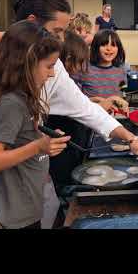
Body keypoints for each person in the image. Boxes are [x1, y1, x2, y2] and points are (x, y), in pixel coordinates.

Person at [0, 0, 138, 229]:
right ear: (33, 24)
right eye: (58, 32)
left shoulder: (46, 62)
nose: (63, 40)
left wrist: (131, 138)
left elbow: (84, 108)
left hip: (13, 172)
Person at [0, 21, 69, 229]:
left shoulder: (22, 98)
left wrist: (42, 140)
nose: (52, 74)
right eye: (49, 66)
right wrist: (39, 146)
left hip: (27, 205)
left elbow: (18, 140)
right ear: (25, 63)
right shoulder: (10, 103)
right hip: (17, 215)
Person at [46, 31, 90, 195]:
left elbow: (80, 103)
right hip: (62, 152)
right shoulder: (54, 81)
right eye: (79, 62)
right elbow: (81, 109)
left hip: (72, 146)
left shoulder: (66, 80)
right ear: (68, 58)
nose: (80, 67)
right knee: (67, 181)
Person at [75, 29, 129, 113]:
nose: (109, 49)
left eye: (113, 45)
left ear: (118, 48)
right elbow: (73, 98)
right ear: (95, 47)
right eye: (104, 45)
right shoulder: (83, 67)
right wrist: (92, 100)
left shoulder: (121, 68)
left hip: (114, 119)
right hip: (91, 117)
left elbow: (122, 91)